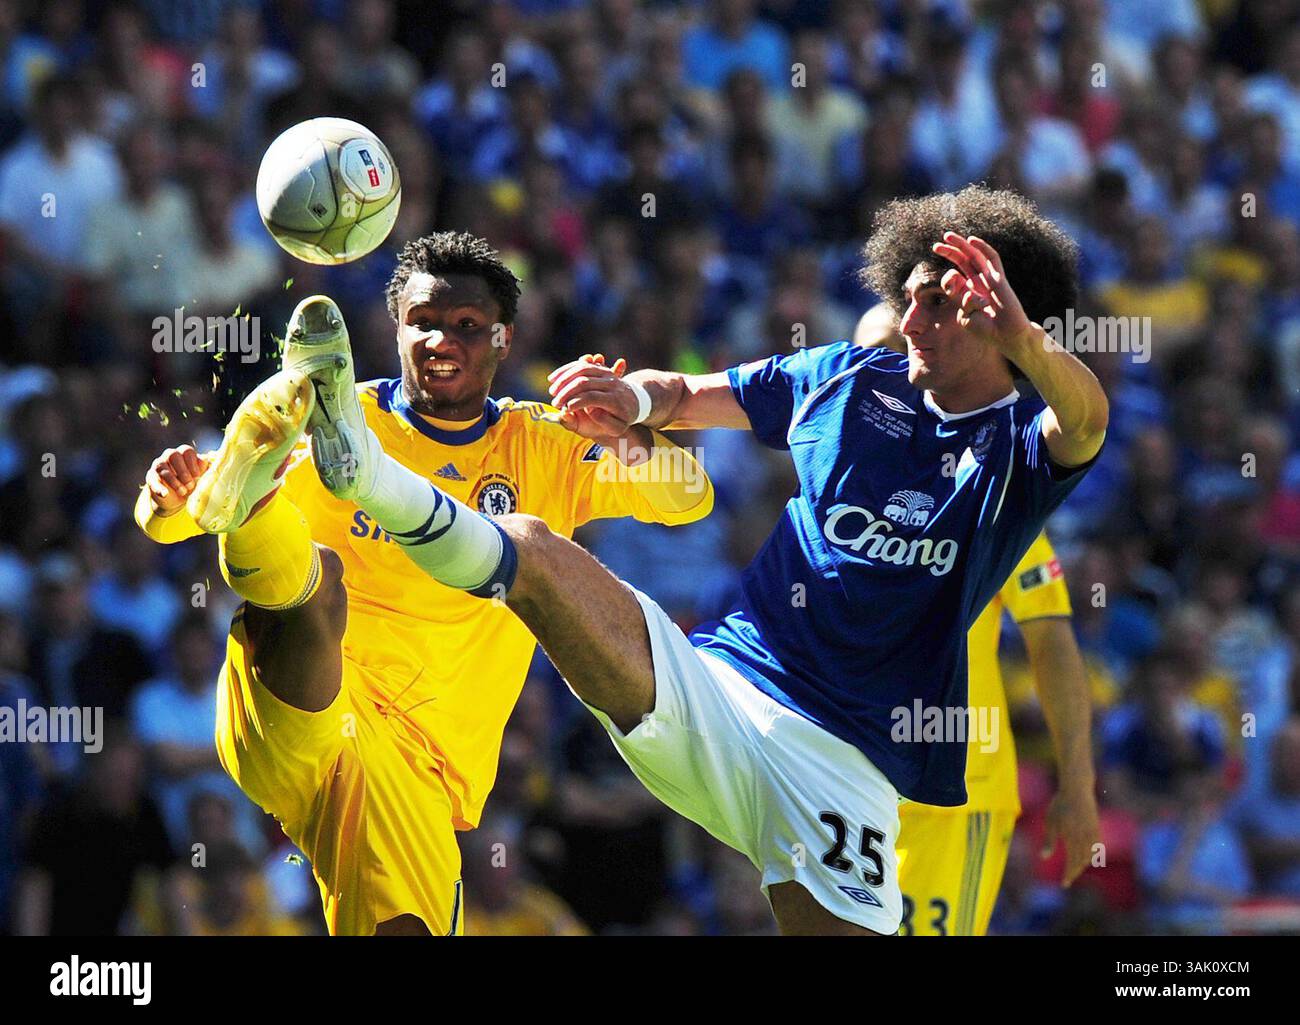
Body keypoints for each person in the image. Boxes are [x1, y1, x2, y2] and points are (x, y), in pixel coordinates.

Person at [310, 185, 1108, 934]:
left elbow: (1088, 421)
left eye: (938, 303)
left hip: (845, 767)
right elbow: (689, 396)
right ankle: (375, 478)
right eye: (909, 296)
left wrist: (1026, 338)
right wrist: (632, 403)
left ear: (998, 314)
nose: (909, 320)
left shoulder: (1017, 448)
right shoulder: (846, 377)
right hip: (722, 691)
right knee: (527, 543)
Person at [133, 231, 714, 935]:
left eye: (467, 327)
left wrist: (620, 425)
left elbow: (691, 494)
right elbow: (166, 524)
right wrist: (166, 494)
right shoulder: (340, 417)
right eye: (424, 323)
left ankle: (256, 507)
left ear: (505, 340)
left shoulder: (542, 443)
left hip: (420, 777)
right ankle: (252, 505)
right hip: (302, 705)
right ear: (397, 328)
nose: (442, 340)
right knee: (322, 589)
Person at [854, 307, 1100, 936]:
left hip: (956, 791)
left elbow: (1051, 640)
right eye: (876, 355)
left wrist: (1077, 785)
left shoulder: (995, 497)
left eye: (906, 353)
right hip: (846, 781)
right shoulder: (834, 490)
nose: (896, 370)